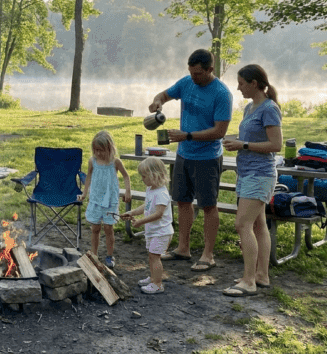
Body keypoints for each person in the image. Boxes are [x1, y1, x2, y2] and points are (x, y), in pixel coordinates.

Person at [149, 49, 232, 272]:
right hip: (184, 154)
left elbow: (220, 131)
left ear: (210, 70)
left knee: (208, 205)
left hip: (207, 156)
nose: (193, 77)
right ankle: (183, 248)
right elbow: (164, 95)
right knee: (183, 201)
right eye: (191, 73)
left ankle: (208, 254)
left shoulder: (221, 93)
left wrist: (187, 135)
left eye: (198, 74)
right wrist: (157, 102)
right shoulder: (186, 83)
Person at [221, 64, 283, 296]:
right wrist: (237, 142)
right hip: (247, 172)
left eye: (241, 83)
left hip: (260, 174)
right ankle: (261, 275)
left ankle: (248, 282)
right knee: (258, 224)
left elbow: (275, 145)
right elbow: (254, 138)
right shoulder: (250, 108)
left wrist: (243, 145)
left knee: (242, 224)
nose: (238, 88)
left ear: (254, 83)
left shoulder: (269, 108)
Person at [77, 131, 132, 269]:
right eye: (96, 150)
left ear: (109, 148)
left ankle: (109, 255)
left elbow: (126, 176)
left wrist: (128, 191)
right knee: (95, 228)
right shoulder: (92, 161)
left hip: (110, 200)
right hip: (95, 199)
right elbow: (88, 177)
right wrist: (84, 193)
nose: (99, 153)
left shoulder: (115, 162)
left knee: (108, 228)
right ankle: (94, 255)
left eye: (101, 150)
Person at [121, 156, 173, 294]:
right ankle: (153, 278)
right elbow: (147, 205)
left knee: (155, 257)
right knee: (151, 255)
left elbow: (158, 214)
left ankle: (157, 284)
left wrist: (140, 222)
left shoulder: (162, 193)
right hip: (152, 230)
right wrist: (132, 212)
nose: (142, 179)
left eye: (144, 176)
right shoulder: (151, 189)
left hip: (161, 232)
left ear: (154, 175)